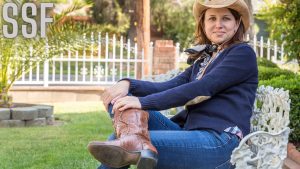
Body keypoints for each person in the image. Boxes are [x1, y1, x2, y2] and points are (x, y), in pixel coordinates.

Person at [88, 0, 258, 168]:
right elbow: (167, 86)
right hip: (192, 134)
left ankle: (134, 143)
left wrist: (142, 102)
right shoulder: (204, 60)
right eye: (212, 18)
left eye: (226, 19)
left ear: (236, 24)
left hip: (220, 142)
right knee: (121, 99)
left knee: (117, 141)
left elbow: (203, 87)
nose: (218, 24)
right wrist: (128, 84)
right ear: (204, 24)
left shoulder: (242, 53)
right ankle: (134, 142)